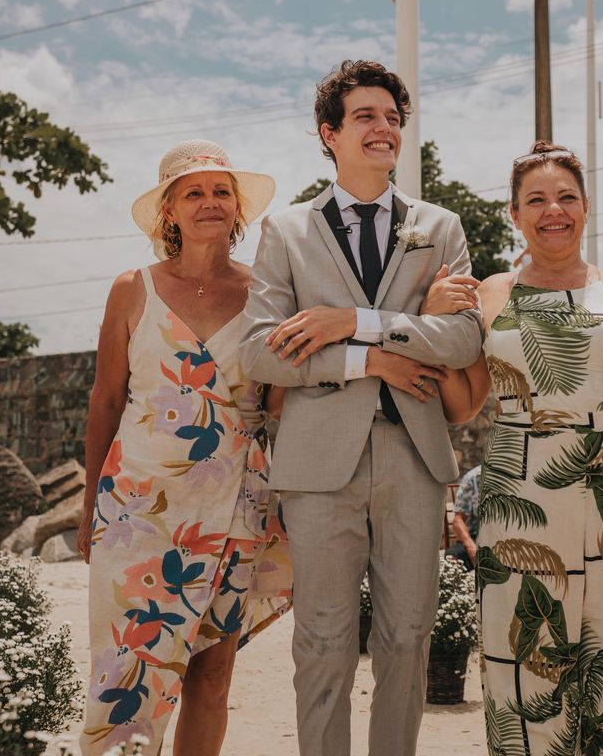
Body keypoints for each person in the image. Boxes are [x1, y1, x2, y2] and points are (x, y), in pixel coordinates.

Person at [432, 141, 603, 756]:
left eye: (566, 197)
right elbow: (463, 404)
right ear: (514, 214)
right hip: (520, 501)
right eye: (535, 199)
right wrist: (432, 325)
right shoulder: (489, 294)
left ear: (585, 209)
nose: (552, 210)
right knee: (525, 668)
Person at [238, 60, 484, 756]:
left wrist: (355, 321)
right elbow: (259, 353)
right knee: (322, 641)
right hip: (318, 463)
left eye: (393, 118)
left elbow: (465, 336)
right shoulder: (285, 232)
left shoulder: (441, 226)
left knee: (409, 636)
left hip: (415, 455)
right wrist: (373, 359)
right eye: (367, 117)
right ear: (330, 134)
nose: (385, 129)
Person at [75, 139, 292, 756]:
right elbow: (105, 402)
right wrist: (92, 503)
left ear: (237, 208)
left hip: (234, 509)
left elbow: (279, 406)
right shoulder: (131, 289)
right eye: (192, 192)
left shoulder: (267, 295)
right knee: (126, 669)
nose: (209, 202)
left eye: (221, 190)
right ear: (168, 210)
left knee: (211, 673)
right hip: (137, 512)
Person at [445, 465, 480, 569]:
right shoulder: (473, 477)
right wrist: (471, 546)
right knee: (453, 556)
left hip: (507, 536)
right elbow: (458, 520)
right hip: (476, 537)